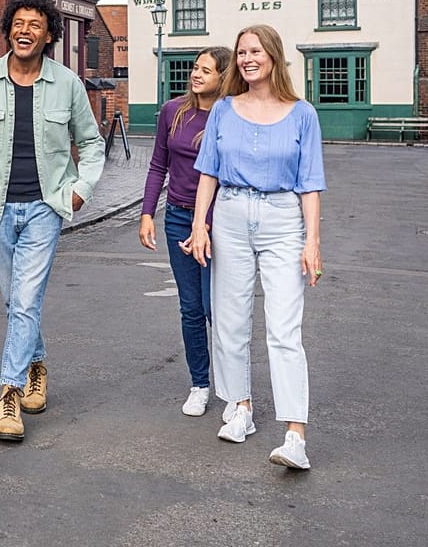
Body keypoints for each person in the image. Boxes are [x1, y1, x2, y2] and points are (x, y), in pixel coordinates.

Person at [0, 0, 106, 443]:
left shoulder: (67, 84)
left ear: (48, 34)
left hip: (46, 208)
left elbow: (91, 144)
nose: (25, 30)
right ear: (9, 30)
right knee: (15, 302)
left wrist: (80, 190)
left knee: (25, 300)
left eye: (34, 24)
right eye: (18, 23)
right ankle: (37, 365)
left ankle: (8, 394)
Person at [185, 24, 325, 470]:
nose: (247, 58)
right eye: (242, 51)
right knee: (229, 319)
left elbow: (311, 185)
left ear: (274, 57)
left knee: (285, 328)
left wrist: (312, 242)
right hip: (229, 213)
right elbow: (208, 171)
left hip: (283, 219)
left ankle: (294, 435)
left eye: (255, 51)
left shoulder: (302, 113)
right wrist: (200, 225)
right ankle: (240, 407)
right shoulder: (223, 110)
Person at [138, 46, 233, 417]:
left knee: (219, 309)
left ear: (223, 77)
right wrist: (147, 213)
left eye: (206, 71)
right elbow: (157, 164)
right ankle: (200, 384)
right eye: (195, 68)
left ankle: (233, 390)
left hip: (220, 222)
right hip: (177, 217)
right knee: (191, 307)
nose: (196, 75)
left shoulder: (232, 115)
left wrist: (206, 224)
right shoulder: (172, 111)